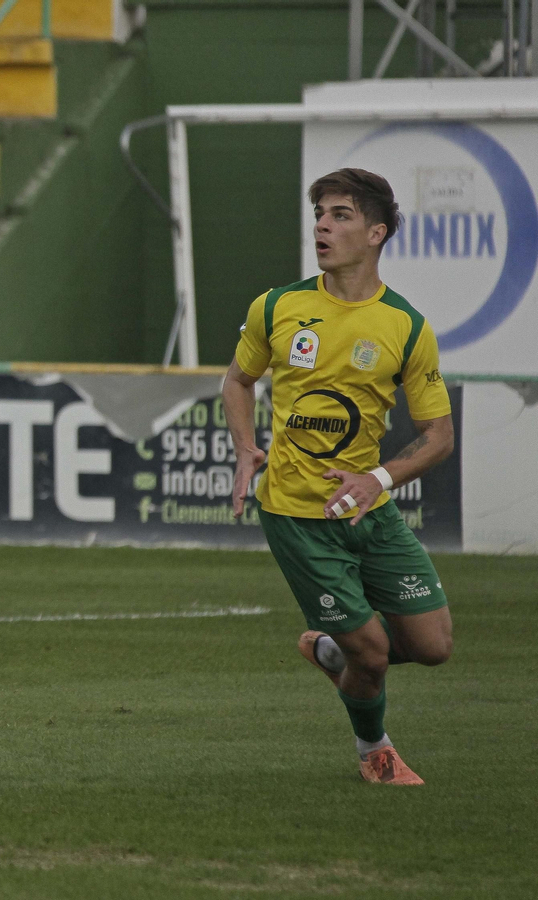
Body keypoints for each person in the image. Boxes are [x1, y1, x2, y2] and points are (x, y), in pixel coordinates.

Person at [224, 167, 455, 786]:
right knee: (374, 655)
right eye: (320, 213)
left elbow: (439, 436)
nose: (323, 225)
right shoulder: (278, 306)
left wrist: (379, 477)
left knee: (432, 646)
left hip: (367, 511)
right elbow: (238, 380)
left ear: (377, 232)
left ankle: (334, 652)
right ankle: (373, 750)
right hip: (298, 517)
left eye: (341, 215)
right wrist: (246, 447)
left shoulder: (405, 325)